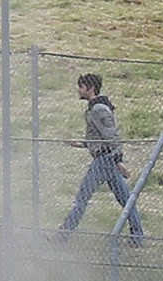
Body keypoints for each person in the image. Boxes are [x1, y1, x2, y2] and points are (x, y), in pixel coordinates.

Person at [51, 72, 144, 244]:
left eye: (81, 87)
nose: (78, 90)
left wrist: (118, 161)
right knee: (126, 200)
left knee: (82, 198)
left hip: (104, 161)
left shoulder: (98, 109)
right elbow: (100, 138)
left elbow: (111, 137)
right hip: (107, 159)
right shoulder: (96, 107)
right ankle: (137, 236)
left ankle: (63, 235)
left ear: (90, 88)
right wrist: (80, 143)